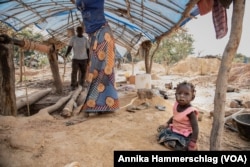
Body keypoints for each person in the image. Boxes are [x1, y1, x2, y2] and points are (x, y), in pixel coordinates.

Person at [76, 0, 119, 117]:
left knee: (103, 69)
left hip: (103, 33)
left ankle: (103, 104)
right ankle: (98, 104)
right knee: (95, 70)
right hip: (94, 35)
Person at [157, 81, 199, 151]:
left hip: (185, 135)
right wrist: (167, 123)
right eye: (179, 93)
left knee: (183, 144)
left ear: (192, 97)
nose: (182, 96)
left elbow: (196, 128)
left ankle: (180, 146)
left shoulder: (191, 112)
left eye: (186, 94)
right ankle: (171, 142)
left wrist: (193, 142)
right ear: (175, 95)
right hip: (175, 130)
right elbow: (175, 117)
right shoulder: (176, 105)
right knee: (162, 133)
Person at [64, 26, 89, 90]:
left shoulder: (85, 39)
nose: (80, 31)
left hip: (84, 58)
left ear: (83, 31)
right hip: (75, 58)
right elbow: (70, 47)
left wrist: (88, 59)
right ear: (76, 31)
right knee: (74, 72)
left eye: (81, 30)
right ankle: (73, 85)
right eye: (79, 30)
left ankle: (81, 84)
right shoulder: (73, 38)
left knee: (83, 72)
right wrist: (66, 54)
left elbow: (87, 49)